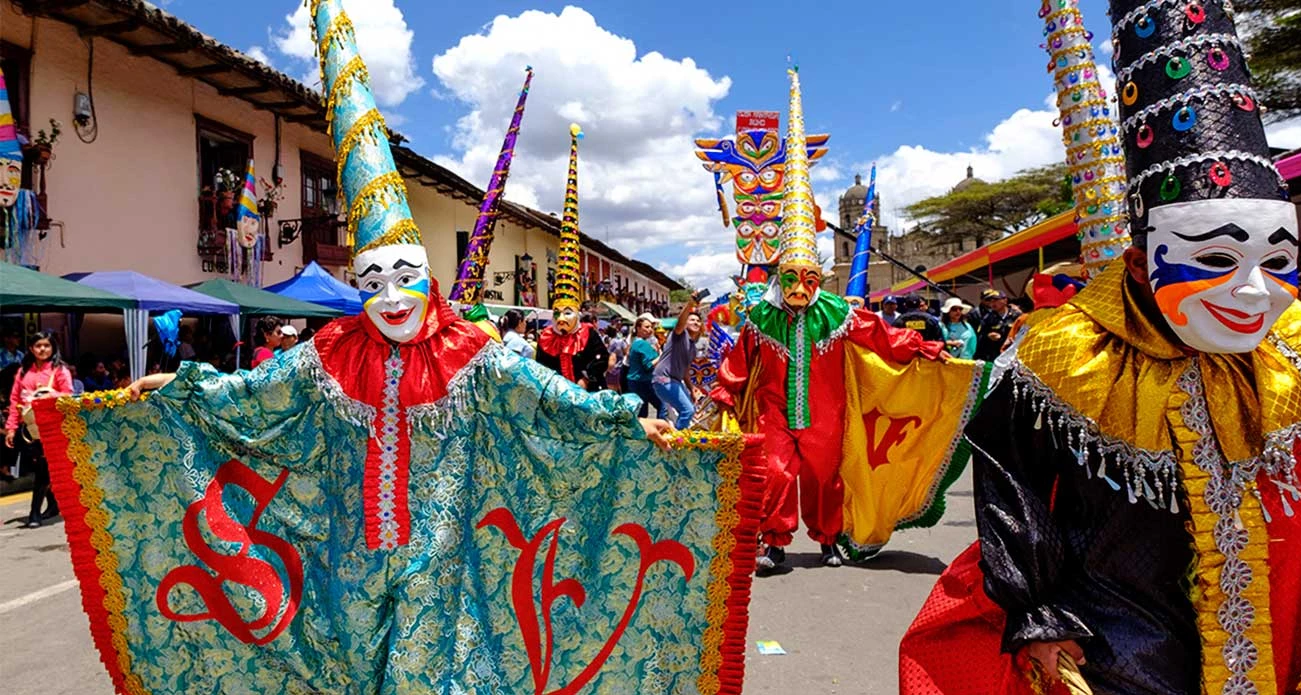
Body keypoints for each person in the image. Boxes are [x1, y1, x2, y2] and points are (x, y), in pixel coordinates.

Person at [32, 9, 763, 692]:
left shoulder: (470, 351)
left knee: (421, 669)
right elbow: (250, 396)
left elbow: (551, 400)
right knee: (351, 665)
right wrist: (177, 386)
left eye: (404, 277)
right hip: (346, 556)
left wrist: (630, 421)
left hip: (440, 557)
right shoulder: (328, 352)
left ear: (430, 279)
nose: (389, 298)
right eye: (372, 282)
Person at [900, 2, 1301, 691]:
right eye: (1216, 258)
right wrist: (1038, 611)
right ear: (1140, 264)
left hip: (1281, 646)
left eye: (1278, 261)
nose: (1255, 290)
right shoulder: (1062, 354)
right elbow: (1012, 491)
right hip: (1116, 650)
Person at [715, 68, 984, 572]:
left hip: (827, 414)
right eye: (790, 278)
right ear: (780, 275)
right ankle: (774, 542)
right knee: (774, 474)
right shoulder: (760, 318)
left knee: (825, 477)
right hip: (774, 413)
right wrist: (723, 394)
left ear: (818, 278)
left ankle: (827, 539)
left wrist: (928, 349)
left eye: (807, 279)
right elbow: (738, 363)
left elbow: (883, 337)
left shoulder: (838, 313)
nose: (799, 289)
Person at [535, 125, 610, 392]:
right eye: (558, 313)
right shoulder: (546, 337)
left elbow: (601, 359)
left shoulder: (588, 333)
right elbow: (541, 367)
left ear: (577, 313)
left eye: (567, 312)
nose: (561, 318)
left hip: (586, 391)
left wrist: (585, 379)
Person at [5, 331, 73, 528]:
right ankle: (53, 505)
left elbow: (69, 396)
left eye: (46, 345)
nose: (42, 349)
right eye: (38, 345)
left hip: (54, 429)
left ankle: (34, 512)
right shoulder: (23, 372)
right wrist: (11, 428)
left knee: (43, 469)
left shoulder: (60, 370)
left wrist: (51, 395)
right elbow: (15, 401)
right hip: (30, 430)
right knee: (43, 469)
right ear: (31, 348)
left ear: (53, 348)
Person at [653, 294, 704, 429]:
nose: (695, 322)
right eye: (692, 320)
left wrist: (692, 388)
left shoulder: (693, 347)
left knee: (690, 410)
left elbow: (685, 370)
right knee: (687, 411)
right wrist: (690, 304)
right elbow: (680, 322)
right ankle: (679, 439)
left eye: (698, 321)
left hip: (675, 381)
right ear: (686, 323)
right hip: (664, 379)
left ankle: (675, 434)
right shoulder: (680, 335)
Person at [627, 316, 664, 417]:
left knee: (642, 412)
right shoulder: (642, 344)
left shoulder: (637, 342)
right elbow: (648, 366)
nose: (650, 330)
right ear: (638, 328)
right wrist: (661, 356)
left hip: (636, 381)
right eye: (646, 327)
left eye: (651, 327)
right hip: (642, 381)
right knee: (662, 406)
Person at [972, 289, 1019, 361]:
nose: (992, 303)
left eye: (996, 300)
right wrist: (988, 336)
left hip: (1014, 354)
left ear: (1005, 300)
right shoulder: (987, 318)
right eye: (990, 301)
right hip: (996, 356)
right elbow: (980, 337)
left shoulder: (1016, 316)